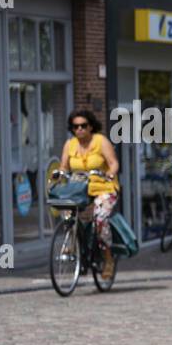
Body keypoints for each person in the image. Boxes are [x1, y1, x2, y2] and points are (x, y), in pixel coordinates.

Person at [60, 109, 120, 280]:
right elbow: (64, 166)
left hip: (103, 186)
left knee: (100, 218)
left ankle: (108, 258)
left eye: (83, 126)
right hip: (80, 187)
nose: (79, 129)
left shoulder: (101, 142)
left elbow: (113, 163)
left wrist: (110, 173)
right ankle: (73, 243)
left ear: (91, 127)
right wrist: (60, 173)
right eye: (75, 126)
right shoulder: (69, 145)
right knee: (67, 211)